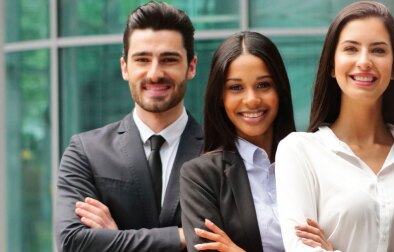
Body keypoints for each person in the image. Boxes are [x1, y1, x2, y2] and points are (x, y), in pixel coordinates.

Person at [55, 2, 201, 251]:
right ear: (125, 67)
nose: (155, 73)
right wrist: (182, 236)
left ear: (191, 67)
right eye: (142, 59)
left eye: (168, 59)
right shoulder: (85, 152)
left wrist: (116, 238)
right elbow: (73, 242)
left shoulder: (221, 150)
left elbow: (229, 239)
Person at [274, 1, 394, 251]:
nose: (364, 61)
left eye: (378, 51)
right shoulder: (299, 152)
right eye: (351, 49)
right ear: (332, 65)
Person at [179, 31, 296, 252]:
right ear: (220, 97)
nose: (252, 99)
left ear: (280, 90)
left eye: (263, 85)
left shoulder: (311, 158)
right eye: (235, 87)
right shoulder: (201, 176)